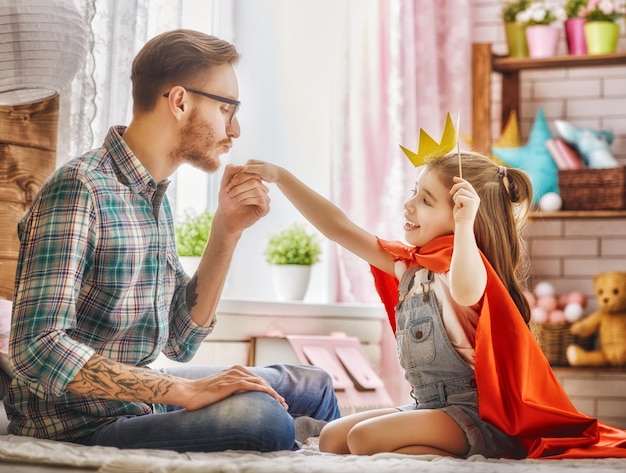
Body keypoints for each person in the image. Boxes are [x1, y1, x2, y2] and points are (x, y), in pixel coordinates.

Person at [6, 29, 339, 453]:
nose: (234, 129)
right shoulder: (80, 188)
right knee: (263, 416)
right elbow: (36, 348)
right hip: (79, 422)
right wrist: (181, 392)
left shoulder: (154, 199)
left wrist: (227, 229)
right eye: (226, 108)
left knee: (313, 384)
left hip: (139, 399)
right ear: (180, 101)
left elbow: (180, 341)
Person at [242, 152, 626, 459]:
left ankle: (489, 451)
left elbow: (465, 290)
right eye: (414, 192)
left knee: (362, 439)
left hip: (473, 415)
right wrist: (282, 177)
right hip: (428, 407)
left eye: (426, 201)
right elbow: (340, 228)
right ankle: (436, 446)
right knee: (332, 438)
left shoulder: (468, 269)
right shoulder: (409, 265)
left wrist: (464, 226)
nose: (409, 205)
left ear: (462, 214)